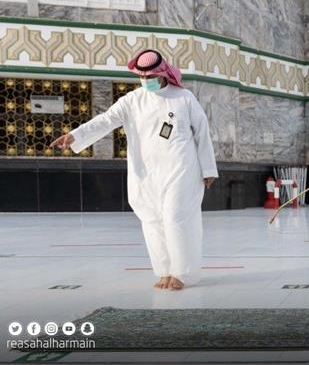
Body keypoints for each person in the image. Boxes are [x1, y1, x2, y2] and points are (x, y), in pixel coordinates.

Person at [50, 49, 218, 290]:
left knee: (176, 218)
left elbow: (202, 133)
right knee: (152, 221)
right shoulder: (132, 100)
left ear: (162, 75)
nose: (146, 81)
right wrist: (74, 136)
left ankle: (183, 273)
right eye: (142, 77)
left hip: (181, 169)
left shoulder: (184, 98)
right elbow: (105, 120)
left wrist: (208, 169)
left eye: (150, 77)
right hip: (146, 173)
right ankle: (164, 271)